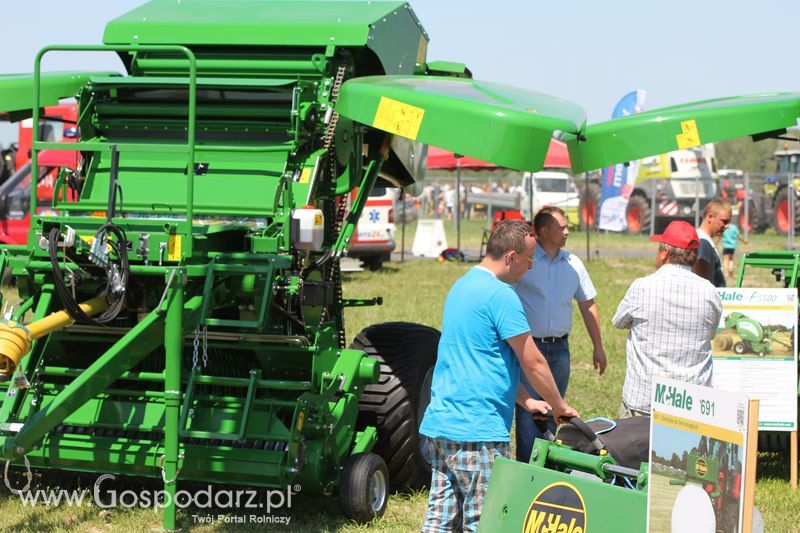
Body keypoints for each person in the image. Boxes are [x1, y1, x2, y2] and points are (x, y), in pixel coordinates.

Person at [419, 219, 579, 533]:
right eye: (529, 260)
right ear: (510, 257)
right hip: (478, 433)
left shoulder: (462, 286)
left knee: (439, 523)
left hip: (441, 426)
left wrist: (528, 400)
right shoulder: (502, 296)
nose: (530, 267)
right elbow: (532, 360)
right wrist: (559, 406)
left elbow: (483, 360)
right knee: (487, 522)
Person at [513, 205, 606, 463]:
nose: (567, 231)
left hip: (560, 350)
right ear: (543, 231)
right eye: (562, 227)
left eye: (567, 227)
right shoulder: (525, 262)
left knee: (555, 412)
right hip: (529, 349)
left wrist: (598, 346)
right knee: (529, 415)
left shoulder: (574, 264)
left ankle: (547, 469)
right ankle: (526, 470)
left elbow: (588, 304)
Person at [612, 221, 722, 417]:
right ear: (693, 256)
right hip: (692, 404)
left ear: (664, 253)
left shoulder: (642, 287)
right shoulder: (710, 293)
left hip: (643, 402)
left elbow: (619, 321)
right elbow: (710, 333)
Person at [695, 199, 732, 287]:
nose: (727, 226)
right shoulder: (703, 242)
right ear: (710, 217)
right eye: (724, 221)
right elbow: (701, 280)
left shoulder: (704, 240)